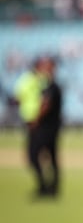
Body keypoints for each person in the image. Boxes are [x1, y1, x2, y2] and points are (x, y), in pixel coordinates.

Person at [15, 55, 63, 198]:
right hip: (51, 127)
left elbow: (45, 105)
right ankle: (50, 188)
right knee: (51, 157)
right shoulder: (49, 85)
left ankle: (46, 187)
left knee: (34, 155)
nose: (44, 68)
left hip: (45, 128)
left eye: (47, 65)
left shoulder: (51, 86)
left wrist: (35, 120)